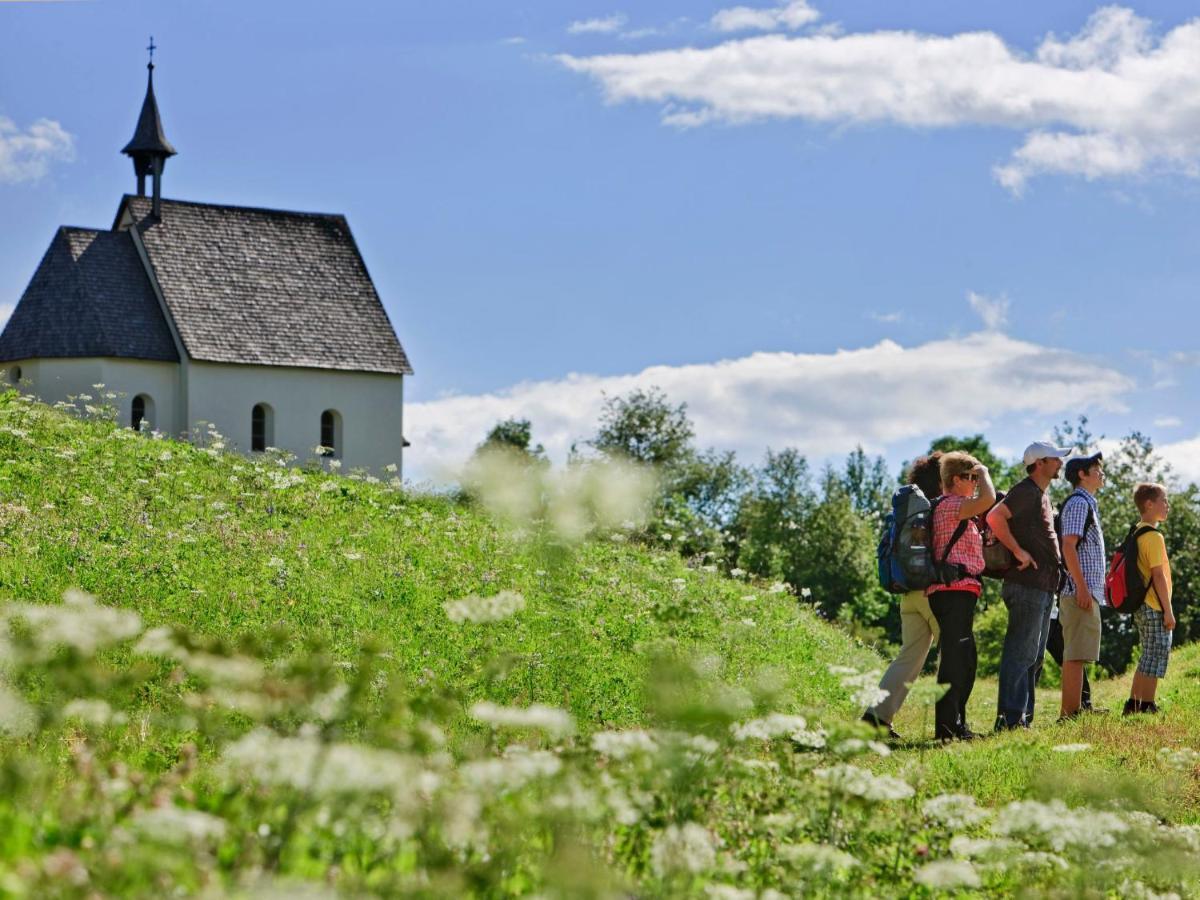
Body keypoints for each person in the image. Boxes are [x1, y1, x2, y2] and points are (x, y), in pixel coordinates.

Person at [986, 441, 1072, 730]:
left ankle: (1022, 718)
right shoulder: (1025, 491)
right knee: (1020, 653)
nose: (1060, 463)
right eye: (1055, 459)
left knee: (1033, 657)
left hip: (1044, 586)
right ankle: (1009, 720)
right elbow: (995, 517)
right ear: (1039, 463)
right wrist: (1019, 551)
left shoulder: (1041, 495)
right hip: (1026, 586)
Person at [862, 452, 944, 740]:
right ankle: (950, 724)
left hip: (907, 592)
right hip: (932, 592)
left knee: (909, 656)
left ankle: (875, 717)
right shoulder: (937, 508)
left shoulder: (906, 511)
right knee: (956, 655)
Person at [926, 451, 995, 741]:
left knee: (966, 661)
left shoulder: (955, 507)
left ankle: (956, 725)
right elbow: (988, 499)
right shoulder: (950, 505)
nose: (975, 482)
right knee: (955, 661)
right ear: (956, 480)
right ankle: (945, 730)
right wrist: (985, 471)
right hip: (951, 591)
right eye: (971, 478)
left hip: (960, 591)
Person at [1056, 452, 1106, 720]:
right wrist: (1082, 587)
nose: (1101, 472)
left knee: (1080, 652)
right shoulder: (1078, 503)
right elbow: (1068, 546)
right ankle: (1069, 715)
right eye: (1095, 468)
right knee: (1075, 653)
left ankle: (1075, 710)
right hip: (1079, 592)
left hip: (1084, 590)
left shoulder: (1088, 504)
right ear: (1081, 475)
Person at [1125, 482, 1175, 715]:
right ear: (1149, 504)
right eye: (1163, 500)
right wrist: (1168, 610)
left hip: (1141, 605)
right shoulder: (1153, 536)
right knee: (1156, 653)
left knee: (1149, 653)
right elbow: (1158, 575)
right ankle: (1144, 704)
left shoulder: (1137, 531)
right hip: (1154, 604)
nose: (1167, 505)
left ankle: (1137, 704)